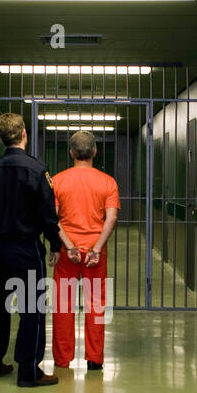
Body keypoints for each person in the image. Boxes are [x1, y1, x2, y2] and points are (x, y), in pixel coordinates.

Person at [0, 112, 62, 388]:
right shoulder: (37, 170)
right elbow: (48, 213)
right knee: (32, 309)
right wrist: (55, 244)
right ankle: (28, 371)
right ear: (24, 133)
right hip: (26, 248)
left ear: (2, 138)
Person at [50, 130, 120, 371]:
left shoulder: (57, 180)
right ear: (95, 152)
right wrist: (97, 248)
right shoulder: (107, 182)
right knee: (95, 305)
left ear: (71, 153)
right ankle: (94, 359)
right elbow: (110, 218)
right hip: (95, 251)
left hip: (66, 250)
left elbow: (52, 218)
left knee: (63, 304)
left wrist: (68, 246)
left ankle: (62, 358)